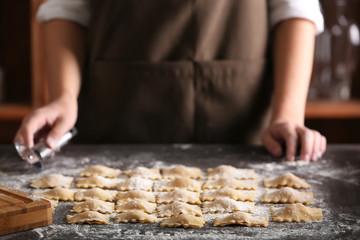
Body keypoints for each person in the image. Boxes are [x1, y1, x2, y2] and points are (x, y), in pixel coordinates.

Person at [14, 0, 327, 162]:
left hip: (244, 131)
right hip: (115, 121)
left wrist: (288, 115)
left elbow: (294, 7)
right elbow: (68, 8)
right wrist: (64, 96)